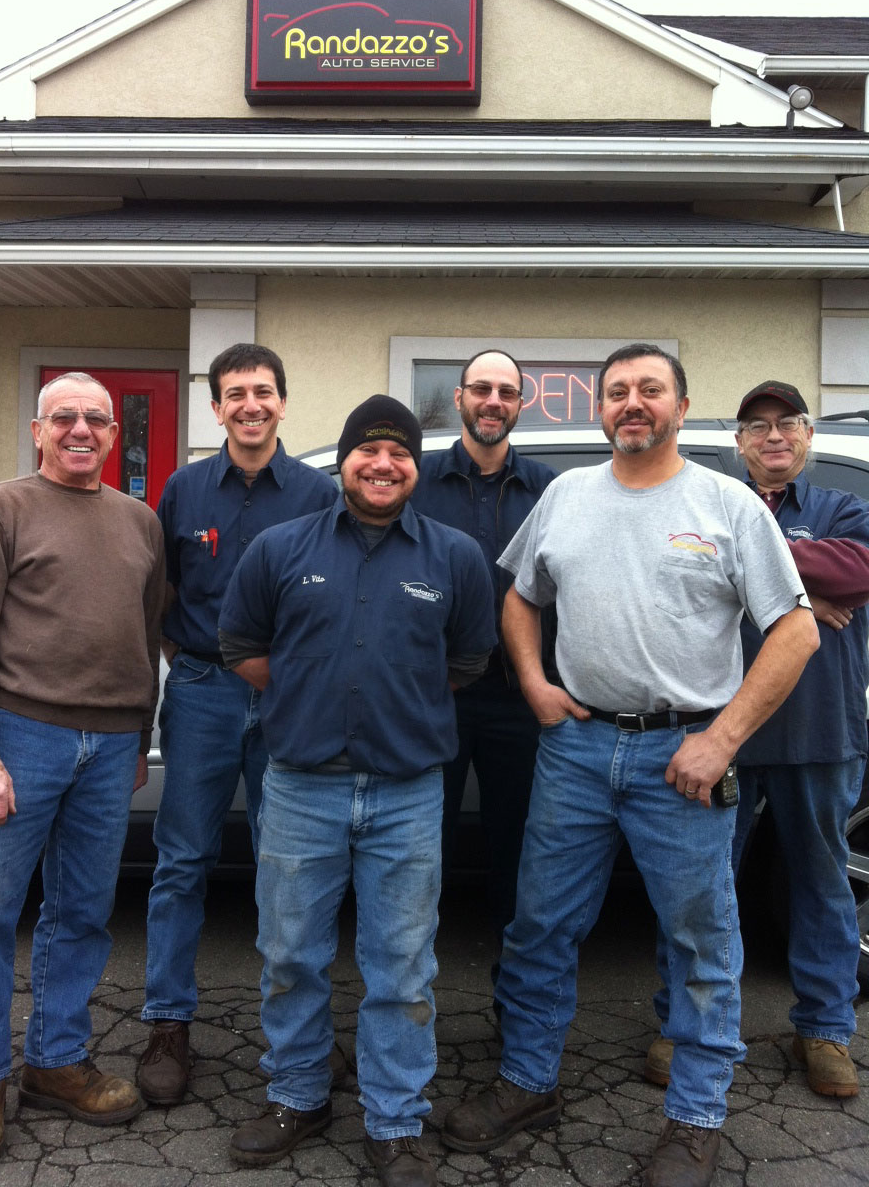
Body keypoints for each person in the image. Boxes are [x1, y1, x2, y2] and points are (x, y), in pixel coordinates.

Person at [441, 345, 819, 1187]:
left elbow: (794, 630)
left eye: (651, 390)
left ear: (683, 407)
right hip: (576, 748)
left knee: (698, 941)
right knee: (539, 927)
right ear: (600, 410)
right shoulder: (568, 496)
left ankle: (694, 1119)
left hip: (682, 756)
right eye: (617, 393)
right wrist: (536, 683)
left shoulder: (726, 504)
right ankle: (528, 1081)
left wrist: (723, 738)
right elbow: (519, 596)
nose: (632, 403)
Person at [218, 395, 496, 1187]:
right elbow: (241, 643)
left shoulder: (455, 558)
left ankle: (394, 1119)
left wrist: (391, 704)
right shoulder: (280, 547)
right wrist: (312, 692)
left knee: (402, 966)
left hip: (408, 793)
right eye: (366, 452)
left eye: (398, 453)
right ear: (341, 462)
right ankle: (298, 1094)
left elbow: (468, 661)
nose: (382, 465)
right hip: (301, 786)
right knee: (289, 956)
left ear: (415, 465)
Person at [0, 372, 165, 1166]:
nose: (81, 429)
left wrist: (138, 739)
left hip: (108, 750)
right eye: (63, 416)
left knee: (81, 915)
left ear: (114, 435)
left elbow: (145, 641)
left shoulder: (141, 521)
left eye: (96, 419)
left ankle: (55, 1062)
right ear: (38, 430)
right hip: (21, 737)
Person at [645, 379, 868, 1102]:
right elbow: (673, 574)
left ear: (805, 438)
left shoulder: (845, 507)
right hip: (720, 733)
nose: (774, 435)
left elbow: (859, 567)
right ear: (739, 445)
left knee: (822, 884)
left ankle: (826, 1029)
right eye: (758, 426)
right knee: (697, 889)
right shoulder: (707, 505)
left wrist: (754, 557)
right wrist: (807, 571)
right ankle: (682, 1025)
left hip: (819, 730)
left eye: (788, 423)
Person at [138, 343, 337, 1105]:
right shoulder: (183, 493)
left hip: (291, 698)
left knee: (288, 871)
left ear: (283, 402)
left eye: (262, 391)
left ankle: (298, 1033)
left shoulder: (321, 494)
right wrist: (188, 672)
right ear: (215, 408)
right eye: (234, 394)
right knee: (181, 860)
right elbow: (163, 599)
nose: (249, 404)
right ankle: (166, 1024)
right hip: (202, 691)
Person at [412, 349, 555, 988]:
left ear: (520, 404)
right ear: (460, 398)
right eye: (481, 389)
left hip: (521, 698)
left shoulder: (552, 489)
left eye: (507, 391)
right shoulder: (414, 479)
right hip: (430, 696)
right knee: (415, 852)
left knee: (520, 855)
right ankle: (410, 992)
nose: (493, 401)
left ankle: (515, 999)